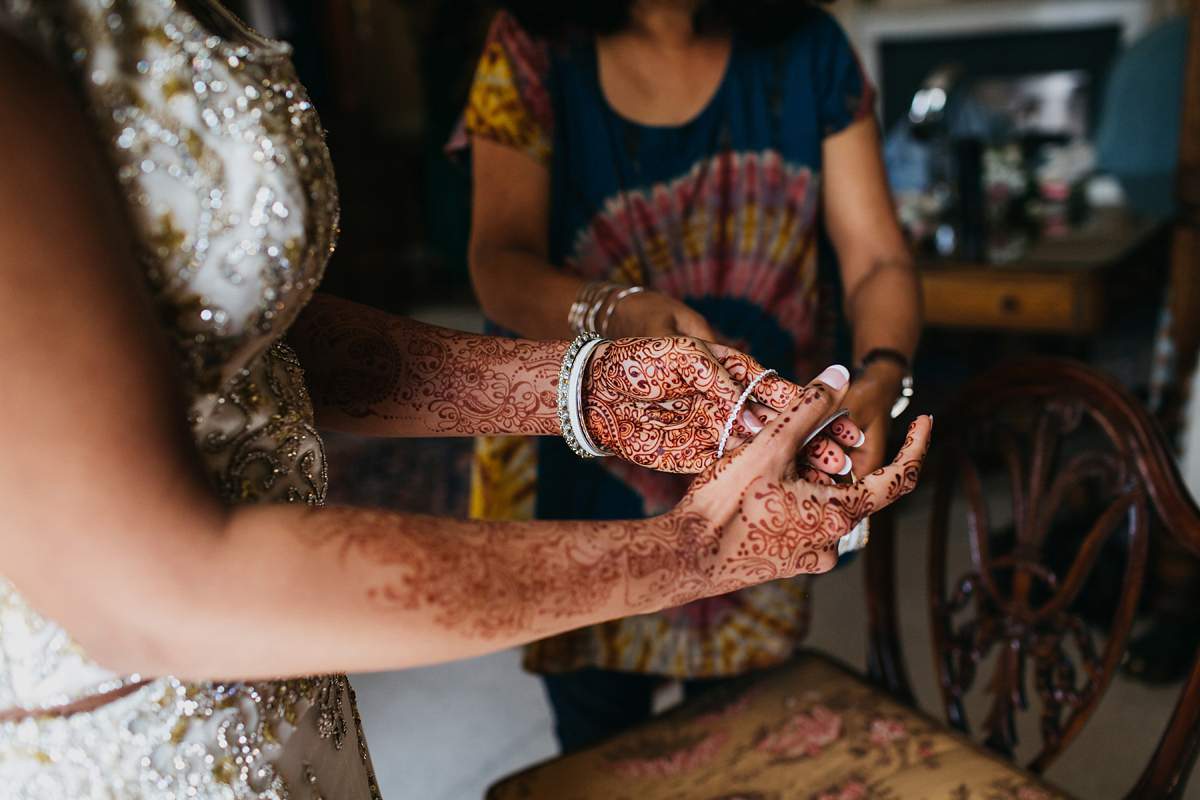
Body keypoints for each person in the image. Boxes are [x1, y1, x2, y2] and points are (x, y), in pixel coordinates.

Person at [0, 0, 930, 797]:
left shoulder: (806, 48)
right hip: (129, 715)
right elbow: (155, 587)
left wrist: (598, 387)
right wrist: (693, 547)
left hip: (280, 693)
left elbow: (244, 344)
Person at [455, 0, 921, 750]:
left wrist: (880, 375)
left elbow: (878, 258)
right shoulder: (532, 47)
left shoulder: (813, 49)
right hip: (576, 464)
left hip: (762, 462)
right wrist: (623, 313)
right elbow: (498, 263)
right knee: (598, 742)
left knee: (742, 735)